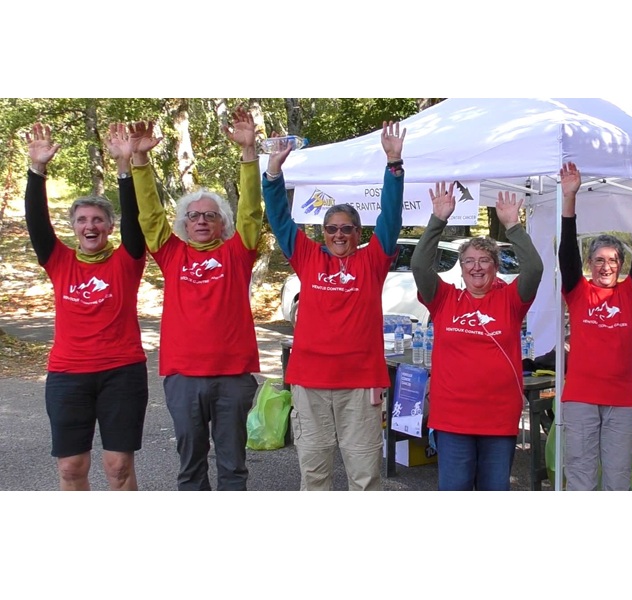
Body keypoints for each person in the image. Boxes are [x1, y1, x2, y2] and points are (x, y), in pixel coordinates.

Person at [261, 121, 406, 491]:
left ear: (359, 234)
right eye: (332, 228)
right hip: (310, 384)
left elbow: (390, 218)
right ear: (322, 233)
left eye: (347, 228)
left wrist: (393, 165)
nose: (339, 234)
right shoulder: (308, 258)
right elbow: (279, 219)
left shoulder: (372, 261)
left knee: (365, 477)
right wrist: (273, 173)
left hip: (359, 384)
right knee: (314, 475)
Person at [128, 107, 263, 491]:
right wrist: (139, 160)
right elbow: (150, 218)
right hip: (184, 376)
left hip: (232, 377)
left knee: (234, 466)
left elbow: (252, 212)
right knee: (190, 467)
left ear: (223, 223)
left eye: (210, 215)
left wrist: (249, 154)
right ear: (183, 224)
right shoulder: (172, 255)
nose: (201, 220)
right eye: (193, 215)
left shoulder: (237, 253)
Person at [24, 122, 148, 491]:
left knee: (118, 467)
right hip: (67, 375)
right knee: (70, 468)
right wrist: (37, 170)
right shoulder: (59, 261)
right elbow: (37, 222)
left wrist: (125, 168)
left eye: (98, 220)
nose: (90, 225)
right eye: (82, 220)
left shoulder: (127, 260)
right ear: (74, 228)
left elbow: (137, 220)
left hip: (121, 373)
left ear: (110, 227)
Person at [411, 182, 544, 491]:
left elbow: (534, 270)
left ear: (495, 267)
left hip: (498, 418)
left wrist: (513, 226)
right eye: (469, 261)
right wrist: (438, 221)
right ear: (460, 268)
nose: (476, 267)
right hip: (453, 418)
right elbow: (419, 265)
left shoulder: (510, 300)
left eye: (485, 260)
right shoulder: (443, 299)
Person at [558, 162, 632, 491]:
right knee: (581, 479)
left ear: (620, 266)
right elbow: (566, 255)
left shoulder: (631, 293)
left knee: (617, 480)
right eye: (598, 259)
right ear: (589, 264)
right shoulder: (578, 291)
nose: (606, 265)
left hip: (622, 401)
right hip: (581, 399)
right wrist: (569, 198)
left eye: (613, 260)